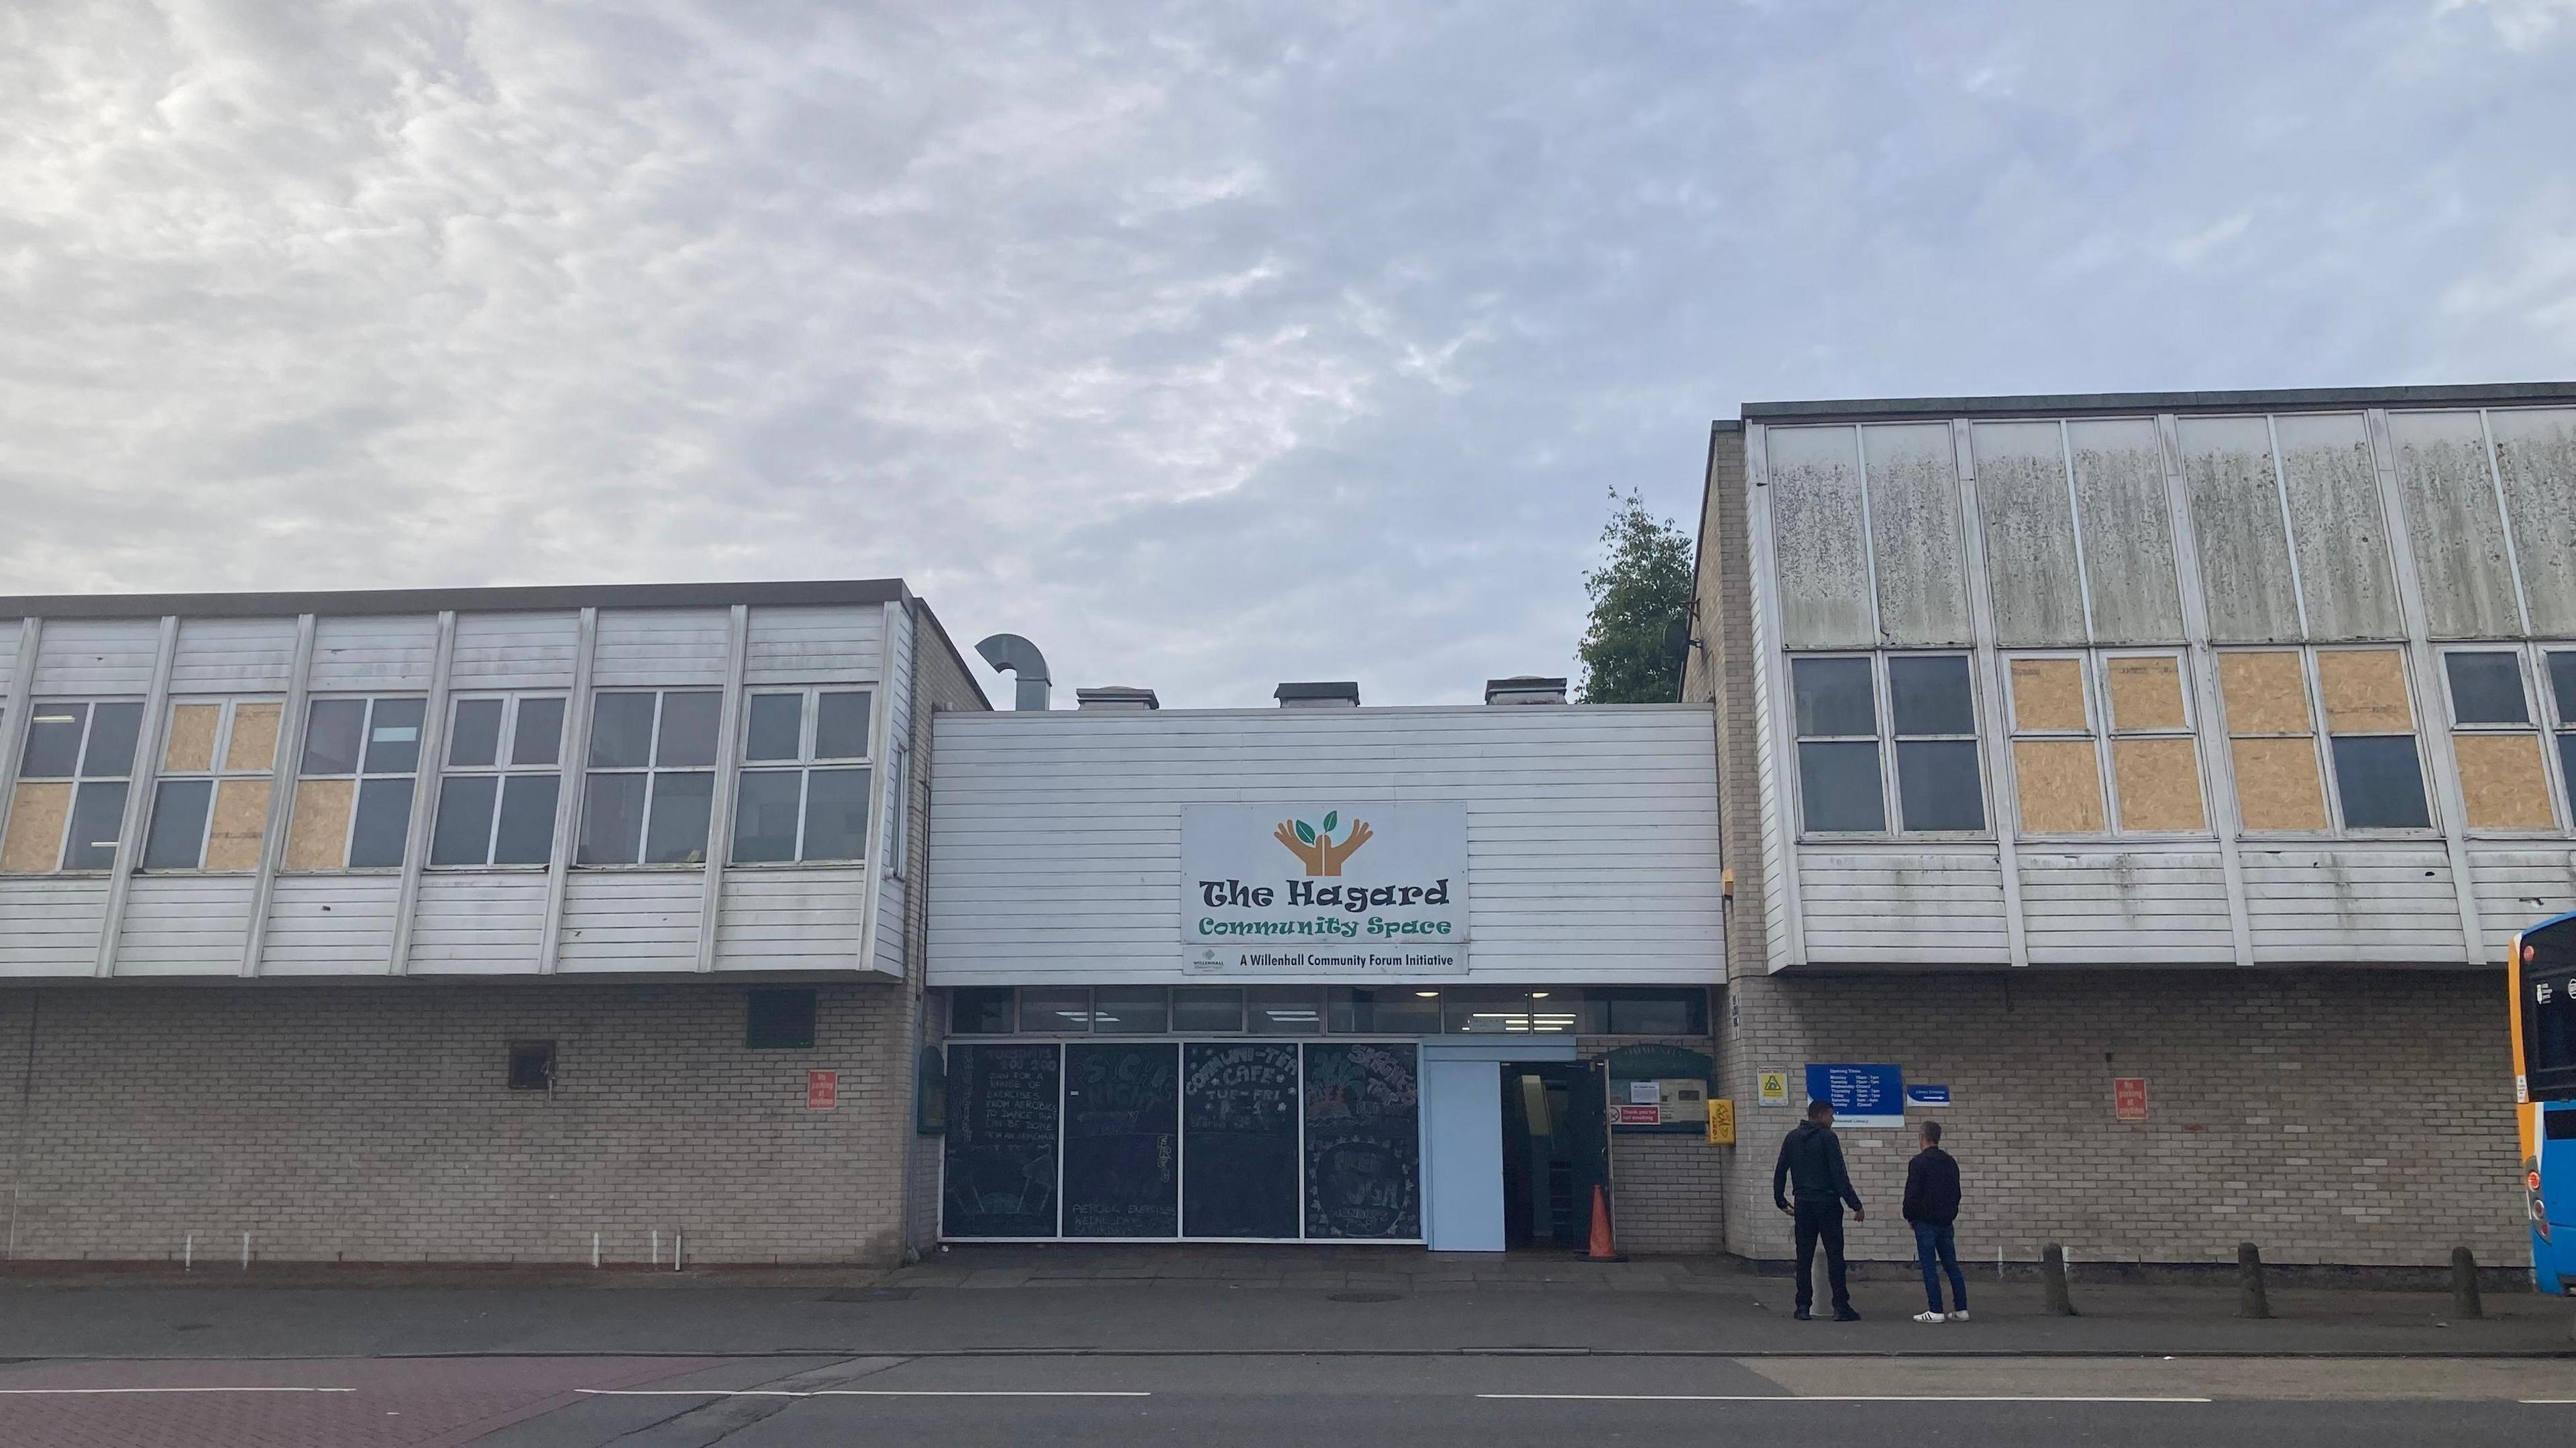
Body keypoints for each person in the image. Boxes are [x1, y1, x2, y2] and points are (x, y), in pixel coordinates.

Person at [1772, 1099, 1864, 1321]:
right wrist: (1855, 1204)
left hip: (1803, 1203)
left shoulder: (1792, 1138)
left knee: (1803, 1256)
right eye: (1831, 1116)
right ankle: (1840, 1307)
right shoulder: (1828, 1138)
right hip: (1828, 1203)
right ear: (1821, 1115)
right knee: (1835, 1255)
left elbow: (1781, 1170)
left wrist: (1781, 1201)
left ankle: (1803, 1306)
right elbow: (1839, 1175)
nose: (1832, 1120)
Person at [1902, 1119, 1968, 1323]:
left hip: (1925, 1223)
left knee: (1929, 1266)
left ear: (1922, 1137)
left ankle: (1936, 1309)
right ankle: (1961, 1309)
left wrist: (1910, 1216)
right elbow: (1956, 1193)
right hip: (1946, 1222)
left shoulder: (1918, 1163)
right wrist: (1950, 1214)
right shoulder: (1950, 1162)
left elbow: (1912, 1195)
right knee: (1951, 1265)